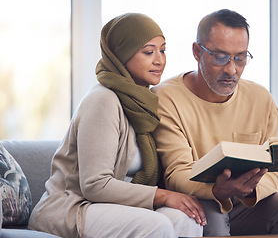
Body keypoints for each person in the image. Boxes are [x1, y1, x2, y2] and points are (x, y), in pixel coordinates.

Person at [28, 13, 206, 238]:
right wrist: (163, 195)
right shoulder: (103, 100)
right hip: (74, 207)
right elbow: (94, 185)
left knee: (186, 219)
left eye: (163, 50)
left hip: (116, 207)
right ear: (122, 55)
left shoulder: (145, 103)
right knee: (156, 225)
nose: (159, 60)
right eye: (149, 52)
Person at [152, 9, 278, 236]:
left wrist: (249, 191)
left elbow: (277, 170)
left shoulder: (261, 98)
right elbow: (176, 172)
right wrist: (217, 190)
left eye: (240, 57)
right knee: (212, 217)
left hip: (247, 204)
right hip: (201, 201)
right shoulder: (167, 98)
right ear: (197, 52)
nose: (231, 69)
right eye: (220, 57)